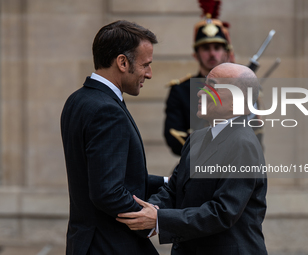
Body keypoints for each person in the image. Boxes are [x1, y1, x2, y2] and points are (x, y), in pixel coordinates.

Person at [117, 63, 268, 255]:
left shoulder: (243, 143)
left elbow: (223, 212)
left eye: (211, 86)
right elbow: (173, 190)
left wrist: (159, 219)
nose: (200, 93)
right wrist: (149, 210)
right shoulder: (198, 137)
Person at [60, 20, 165, 255]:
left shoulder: (77, 100)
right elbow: (108, 191)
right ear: (122, 62)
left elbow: (109, 174)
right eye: (145, 64)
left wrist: (170, 182)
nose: (149, 74)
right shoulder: (107, 111)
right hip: (111, 245)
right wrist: (150, 223)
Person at [164, 16, 235, 156]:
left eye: (217, 47)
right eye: (205, 48)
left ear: (226, 53)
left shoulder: (239, 88)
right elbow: (174, 135)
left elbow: (255, 132)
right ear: (196, 54)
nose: (212, 53)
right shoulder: (180, 90)